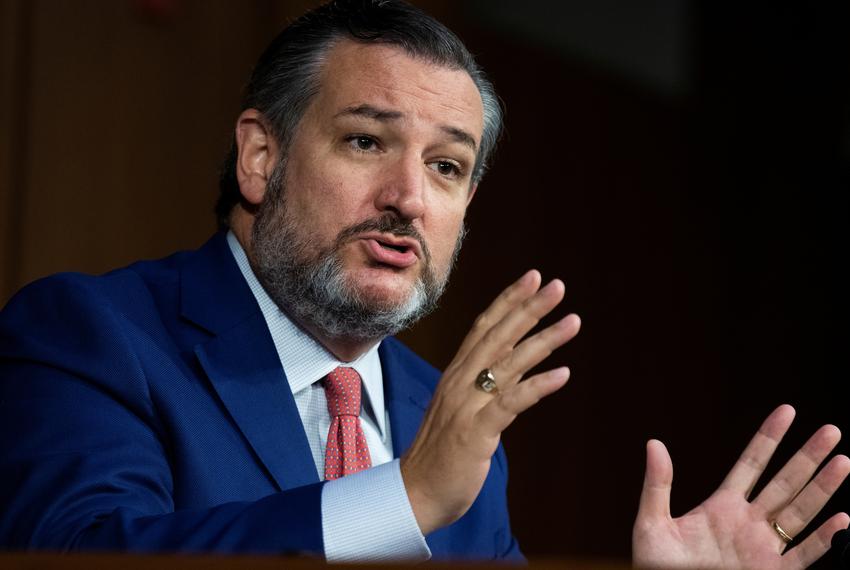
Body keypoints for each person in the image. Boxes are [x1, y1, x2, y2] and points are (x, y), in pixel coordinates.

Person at [0, 0, 847, 566]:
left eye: (447, 167)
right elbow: (79, 555)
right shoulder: (91, 334)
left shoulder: (446, 415)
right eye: (367, 142)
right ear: (262, 156)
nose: (409, 198)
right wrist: (399, 500)